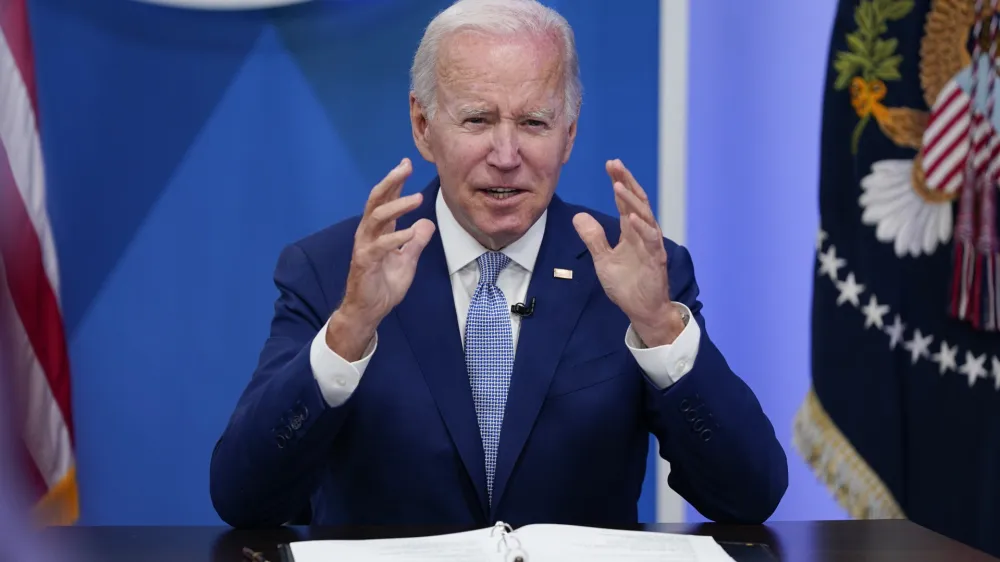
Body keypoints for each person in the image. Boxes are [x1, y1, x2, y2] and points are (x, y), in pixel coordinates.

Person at [209, 0, 787, 528]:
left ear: (569, 133)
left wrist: (660, 329)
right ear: (423, 126)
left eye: (534, 123)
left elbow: (749, 497)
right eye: (477, 120)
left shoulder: (636, 269)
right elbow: (244, 500)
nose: (506, 156)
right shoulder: (331, 270)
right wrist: (347, 333)